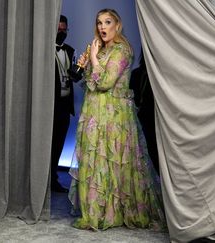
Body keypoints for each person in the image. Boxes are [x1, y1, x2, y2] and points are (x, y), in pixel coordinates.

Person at [68, 9, 166, 231]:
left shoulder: (122, 51)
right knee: (96, 162)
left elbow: (104, 83)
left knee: (114, 161)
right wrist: (85, 64)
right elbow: (89, 83)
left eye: (108, 22)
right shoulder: (102, 50)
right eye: (99, 22)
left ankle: (118, 211)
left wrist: (93, 59)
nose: (102, 27)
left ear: (117, 25)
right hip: (94, 113)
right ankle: (99, 211)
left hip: (114, 116)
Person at [51, 15, 75, 193]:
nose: (62, 32)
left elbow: (73, 73)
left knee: (59, 144)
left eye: (64, 30)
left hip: (65, 106)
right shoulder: (44, 50)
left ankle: (53, 179)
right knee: (48, 144)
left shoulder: (70, 50)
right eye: (59, 29)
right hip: (49, 105)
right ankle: (44, 180)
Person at [129, 50, 159, 175]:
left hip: (153, 119)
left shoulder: (159, 76)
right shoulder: (137, 74)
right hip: (140, 118)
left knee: (152, 151)